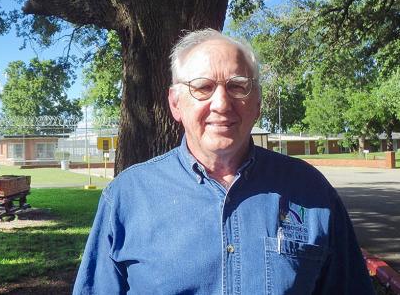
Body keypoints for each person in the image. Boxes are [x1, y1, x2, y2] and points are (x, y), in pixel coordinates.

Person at [73, 29, 374, 294]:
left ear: (257, 102)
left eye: (237, 85)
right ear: (175, 103)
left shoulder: (311, 191)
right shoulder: (127, 196)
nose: (221, 104)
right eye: (202, 87)